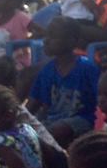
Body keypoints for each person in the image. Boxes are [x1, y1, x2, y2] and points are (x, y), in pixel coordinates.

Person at [26, 16, 102, 148]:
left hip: (82, 120)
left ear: (72, 42)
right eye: (46, 36)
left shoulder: (86, 68)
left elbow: (100, 101)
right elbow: (32, 105)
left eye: (53, 36)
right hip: (51, 121)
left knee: (56, 129)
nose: (46, 41)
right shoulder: (46, 70)